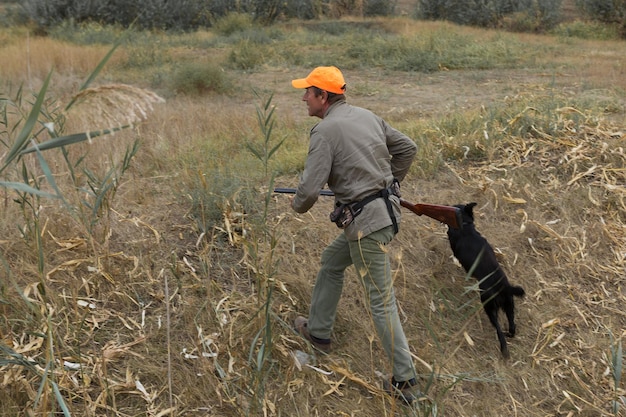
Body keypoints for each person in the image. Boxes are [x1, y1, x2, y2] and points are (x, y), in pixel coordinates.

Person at [289, 66, 420, 404]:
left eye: (309, 92)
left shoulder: (324, 132)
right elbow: (407, 148)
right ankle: (318, 333)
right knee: (332, 261)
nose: (304, 97)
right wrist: (389, 184)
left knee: (381, 302)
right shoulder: (367, 116)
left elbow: (307, 194)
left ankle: (406, 383)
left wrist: (297, 203)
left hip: (366, 227)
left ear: (324, 96)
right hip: (384, 215)